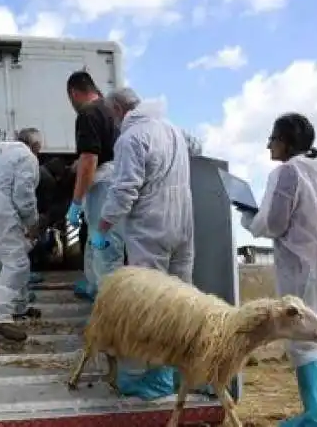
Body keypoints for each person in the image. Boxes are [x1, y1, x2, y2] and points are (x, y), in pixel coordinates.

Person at [239, 113, 317, 427]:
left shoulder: (287, 173)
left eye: (273, 138)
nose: (268, 145)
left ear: (286, 142)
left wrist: (250, 218)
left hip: (303, 269)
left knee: (306, 338)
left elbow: (275, 223)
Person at [92, 88, 197, 401]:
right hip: (183, 226)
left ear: (120, 110)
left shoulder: (131, 138)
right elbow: (199, 146)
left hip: (151, 229)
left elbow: (124, 191)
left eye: (112, 115)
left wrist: (103, 227)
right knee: (181, 303)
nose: (113, 121)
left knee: (153, 306)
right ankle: (183, 372)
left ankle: (157, 379)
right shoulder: (174, 131)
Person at [0, 128, 42, 341]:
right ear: (35, 146)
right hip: (0, 211)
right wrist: (32, 223)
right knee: (17, 264)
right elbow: (23, 195)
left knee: (15, 259)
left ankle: (18, 307)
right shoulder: (27, 157)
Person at [64, 71, 124, 300]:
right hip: (115, 183)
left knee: (105, 248)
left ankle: (109, 309)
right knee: (98, 240)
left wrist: (76, 202)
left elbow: (89, 160)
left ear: (74, 93)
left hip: (103, 186)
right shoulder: (112, 112)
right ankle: (94, 288)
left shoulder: (88, 113)